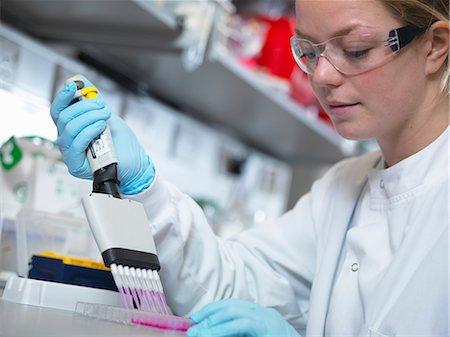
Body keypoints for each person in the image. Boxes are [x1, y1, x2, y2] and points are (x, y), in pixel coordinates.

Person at [50, 0, 449, 336]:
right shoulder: (343, 189)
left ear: (435, 46)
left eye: (357, 49)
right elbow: (232, 287)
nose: (322, 76)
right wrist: (144, 188)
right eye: (309, 51)